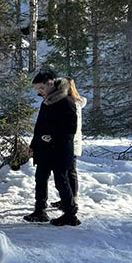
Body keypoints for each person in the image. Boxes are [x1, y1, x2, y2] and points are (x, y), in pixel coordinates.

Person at [24, 71, 80, 226]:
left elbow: (70, 128)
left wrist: (53, 137)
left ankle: (70, 214)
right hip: (44, 149)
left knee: (61, 180)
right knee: (40, 178)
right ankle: (39, 210)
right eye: (37, 89)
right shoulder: (46, 101)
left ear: (51, 82)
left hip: (60, 149)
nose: (39, 92)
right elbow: (40, 126)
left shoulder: (66, 101)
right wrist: (33, 145)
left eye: (41, 88)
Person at [50, 77, 86, 211]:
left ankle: (72, 199)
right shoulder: (72, 101)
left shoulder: (72, 103)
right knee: (67, 170)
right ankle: (67, 198)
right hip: (69, 141)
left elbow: (72, 125)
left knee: (70, 170)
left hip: (71, 142)